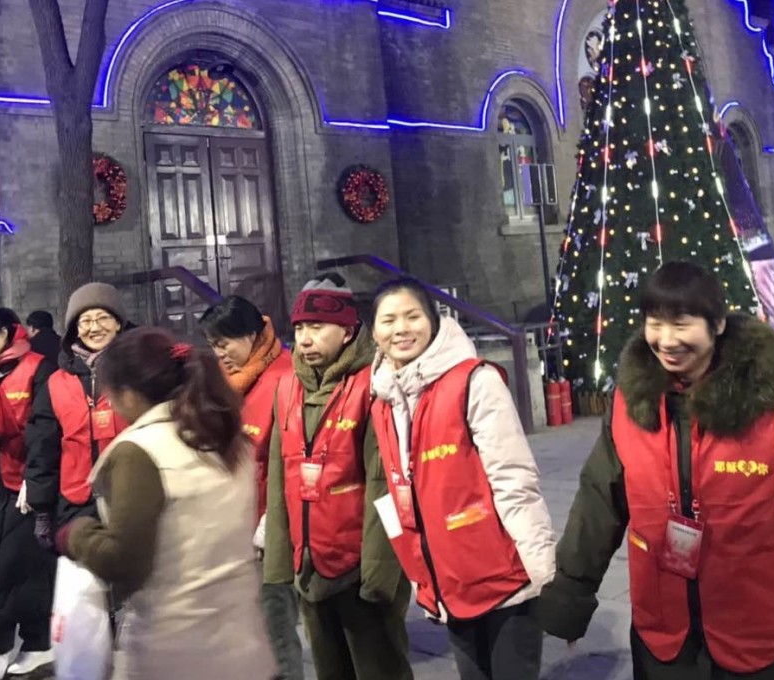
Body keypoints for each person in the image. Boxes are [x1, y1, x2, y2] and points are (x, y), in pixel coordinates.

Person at [535, 261, 774, 680]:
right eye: (654, 324)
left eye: (682, 324)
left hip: (760, 636)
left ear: (716, 325)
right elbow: (599, 501)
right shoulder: (631, 404)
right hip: (664, 637)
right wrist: (571, 592)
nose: (667, 340)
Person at [57, 327, 275, 679]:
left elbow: (124, 561)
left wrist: (77, 534)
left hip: (175, 652)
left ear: (128, 394)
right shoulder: (224, 435)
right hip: (243, 646)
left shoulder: (141, 451)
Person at [370, 277, 555, 680]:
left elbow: (513, 479)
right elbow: (403, 499)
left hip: (505, 579)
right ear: (374, 332)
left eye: (412, 316)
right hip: (448, 583)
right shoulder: (383, 402)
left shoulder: (474, 381)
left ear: (434, 322)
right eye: (388, 320)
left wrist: (544, 576)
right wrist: (423, 579)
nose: (401, 328)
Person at [263, 274, 412, 680]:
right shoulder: (286, 389)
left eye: (316, 327)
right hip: (309, 565)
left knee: (380, 670)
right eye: (298, 328)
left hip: (359, 568)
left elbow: (383, 484)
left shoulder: (373, 386)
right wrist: (281, 564)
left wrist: (379, 575)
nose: (305, 338)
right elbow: (280, 482)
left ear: (347, 331)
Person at [200, 295, 303, 680]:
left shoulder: (286, 378)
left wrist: (267, 527)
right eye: (212, 345)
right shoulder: (228, 383)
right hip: (230, 527)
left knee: (274, 633)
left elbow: (288, 461)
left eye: (224, 343)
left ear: (250, 335)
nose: (219, 353)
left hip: (266, 535)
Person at [24, 283, 130, 546]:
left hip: (132, 497)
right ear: (75, 330)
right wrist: (42, 508)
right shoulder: (57, 382)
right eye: (85, 321)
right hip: (76, 504)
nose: (94, 328)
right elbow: (42, 447)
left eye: (103, 317)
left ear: (118, 323)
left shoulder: (139, 371)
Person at [0, 309, 56, 676]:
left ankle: (4, 644)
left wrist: (34, 481)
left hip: (23, 482)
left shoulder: (37, 368)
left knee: (11, 565)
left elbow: (43, 430)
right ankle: (38, 642)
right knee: (27, 569)